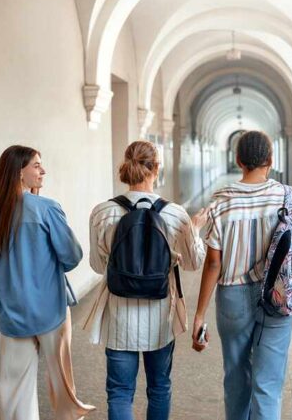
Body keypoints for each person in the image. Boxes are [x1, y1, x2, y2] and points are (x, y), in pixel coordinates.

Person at [0, 145, 95, 420]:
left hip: (12, 314)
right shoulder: (46, 208)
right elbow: (72, 256)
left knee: (14, 394)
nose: (42, 170)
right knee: (62, 391)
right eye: (36, 165)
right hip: (51, 311)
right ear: (19, 172)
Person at [84, 140, 207, 420]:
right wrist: (195, 230)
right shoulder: (176, 214)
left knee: (119, 392)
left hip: (118, 316)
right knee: (160, 388)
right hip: (161, 316)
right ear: (156, 169)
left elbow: (96, 264)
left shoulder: (103, 212)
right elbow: (193, 262)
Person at [191, 130, 292, 420]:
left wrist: (199, 314)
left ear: (238, 160)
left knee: (236, 377)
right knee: (267, 383)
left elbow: (214, 263)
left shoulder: (222, 201)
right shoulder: (287, 196)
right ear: (270, 159)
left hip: (233, 297)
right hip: (278, 293)